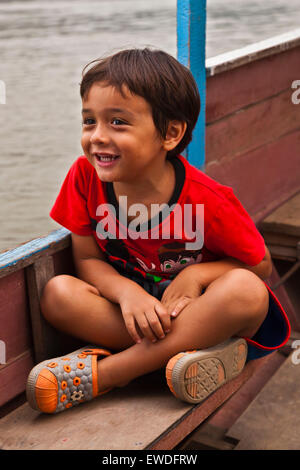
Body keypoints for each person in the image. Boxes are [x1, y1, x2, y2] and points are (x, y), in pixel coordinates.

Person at [26, 48, 290, 414]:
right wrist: (127, 294)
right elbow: (87, 258)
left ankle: (110, 373)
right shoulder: (83, 177)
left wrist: (197, 275)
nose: (97, 137)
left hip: (198, 310)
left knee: (247, 292)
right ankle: (191, 357)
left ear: (171, 133)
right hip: (139, 313)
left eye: (117, 122)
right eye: (89, 121)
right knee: (57, 294)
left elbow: (259, 265)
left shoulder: (209, 200)